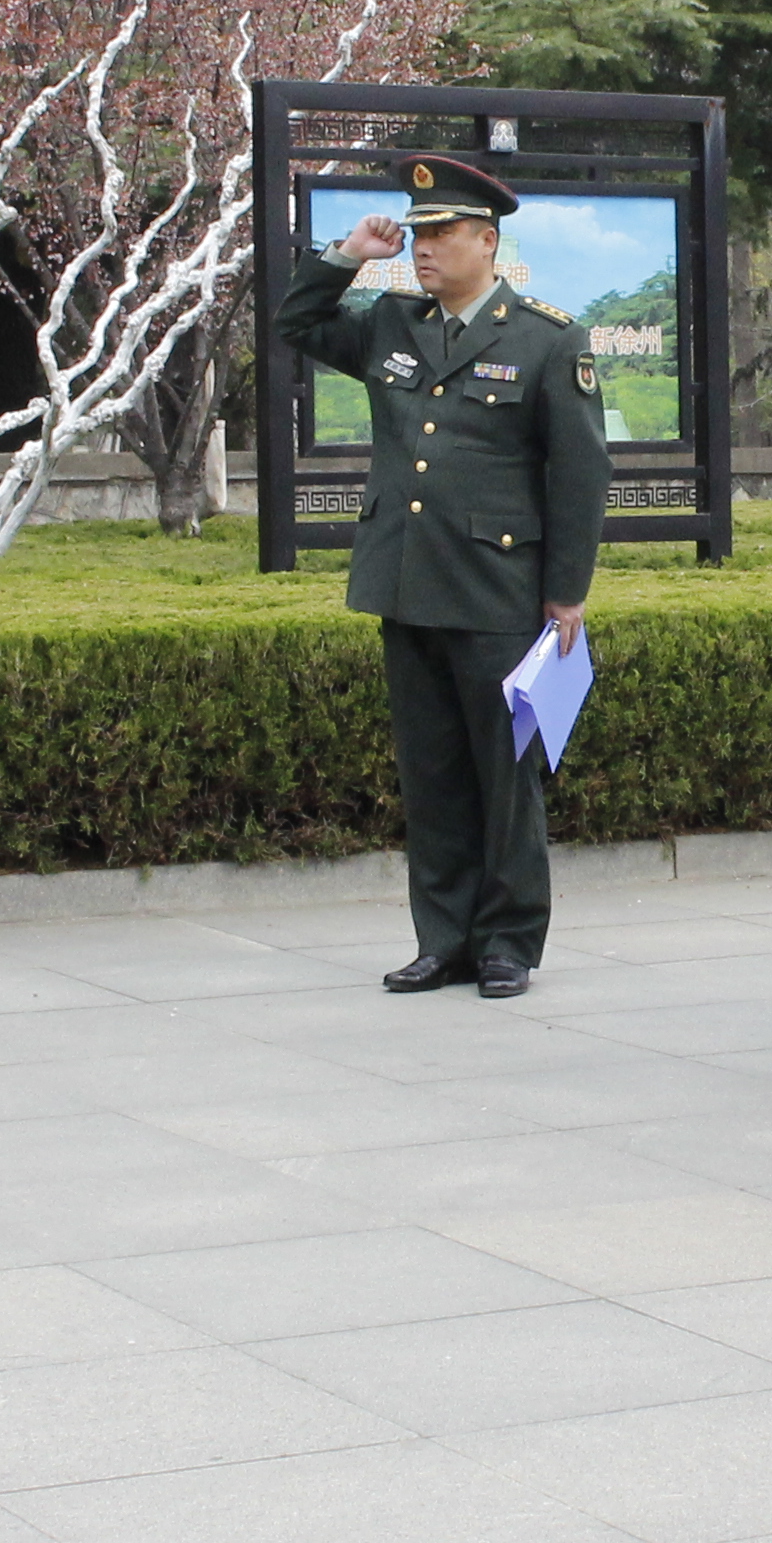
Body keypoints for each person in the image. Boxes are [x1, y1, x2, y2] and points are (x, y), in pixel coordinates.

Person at [276, 151, 612, 1002]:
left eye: (442, 233)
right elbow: (295, 323)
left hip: (498, 587)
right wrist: (346, 254)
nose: (424, 249)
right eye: (417, 234)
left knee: (505, 779)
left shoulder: (546, 336)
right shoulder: (394, 323)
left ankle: (506, 943)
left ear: (487, 241)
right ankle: (444, 938)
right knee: (430, 776)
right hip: (408, 581)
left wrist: (566, 591)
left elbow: (579, 474)